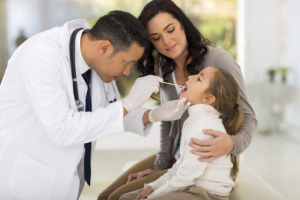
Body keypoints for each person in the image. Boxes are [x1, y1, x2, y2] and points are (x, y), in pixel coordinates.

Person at [0, 10, 190, 200]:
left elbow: (110, 114)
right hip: (24, 185)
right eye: (126, 62)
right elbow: (62, 129)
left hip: (63, 185)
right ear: (104, 48)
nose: (126, 72)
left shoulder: (96, 65)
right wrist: (129, 103)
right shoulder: (41, 56)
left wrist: (153, 115)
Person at [98, 1, 257, 200]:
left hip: (202, 165)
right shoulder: (163, 67)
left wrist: (231, 144)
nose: (166, 41)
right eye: (156, 38)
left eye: (170, 29)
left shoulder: (218, 63)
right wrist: (160, 167)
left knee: (116, 199)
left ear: (182, 24)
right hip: (177, 160)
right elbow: (168, 123)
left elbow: (249, 116)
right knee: (105, 196)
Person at [120, 66, 244, 200]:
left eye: (199, 79)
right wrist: (152, 186)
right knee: (125, 198)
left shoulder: (203, 128)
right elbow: (178, 168)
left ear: (208, 99)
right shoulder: (193, 121)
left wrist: (153, 195)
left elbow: (185, 177)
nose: (190, 77)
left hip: (206, 195)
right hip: (190, 188)